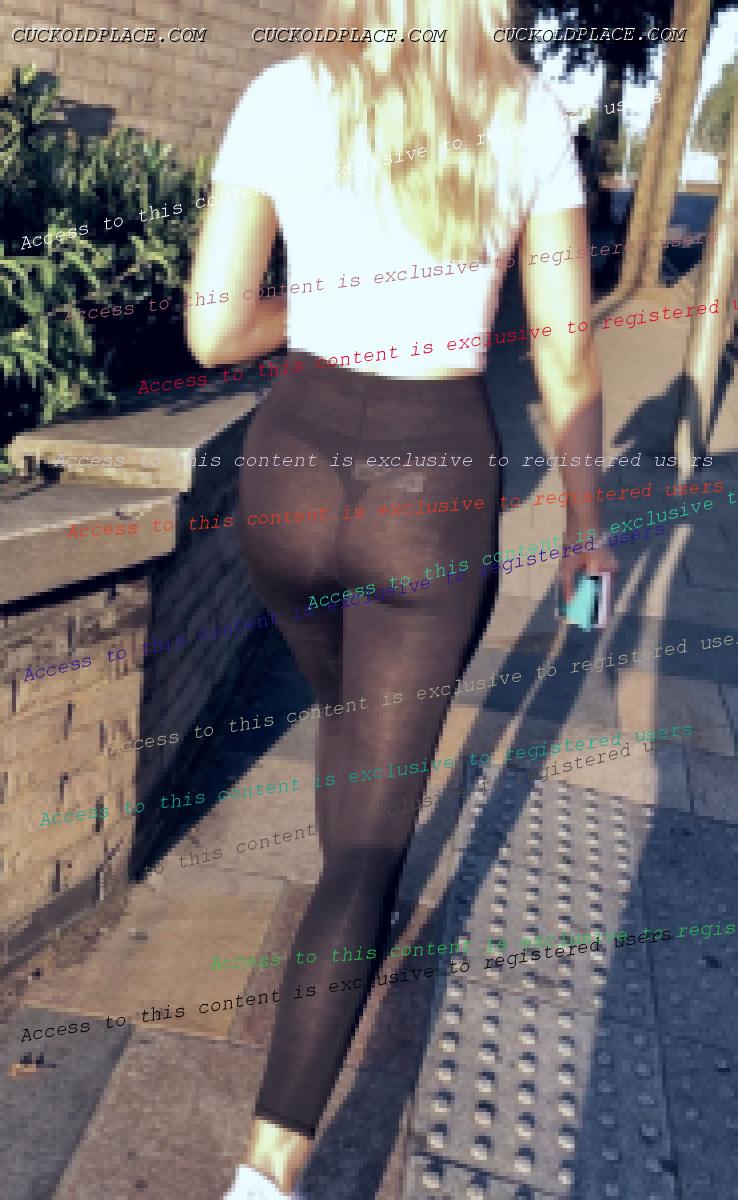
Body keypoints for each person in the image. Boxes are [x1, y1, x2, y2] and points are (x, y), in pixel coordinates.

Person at [186, 2, 617, 1196]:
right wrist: (587, 526)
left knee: (346, 727)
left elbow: (215, 329)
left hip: (288, 471)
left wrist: (317, 310)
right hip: (431, 494)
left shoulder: (285, 93)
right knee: (371, 840)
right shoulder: (527, 112)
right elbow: (567, 357)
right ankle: (266, 1173)